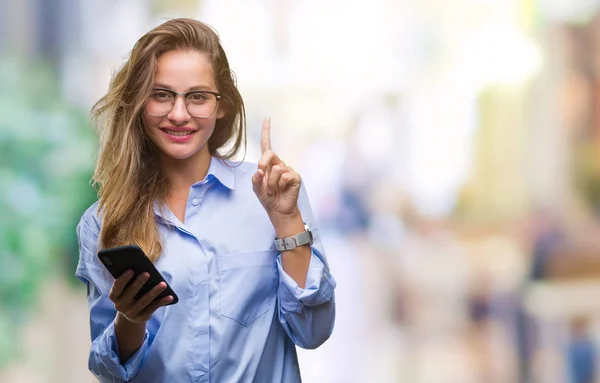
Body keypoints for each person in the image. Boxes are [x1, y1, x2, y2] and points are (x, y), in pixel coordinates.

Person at [75, 18, 336, 383]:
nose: (179, 114)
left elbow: (314, 332)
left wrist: (287, 222)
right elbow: (107, 370)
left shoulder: (273, 196)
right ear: (139, 102)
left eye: (197, 96)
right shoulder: (103, 221)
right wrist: (130, 320)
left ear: (222, 105)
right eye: (161, 94)